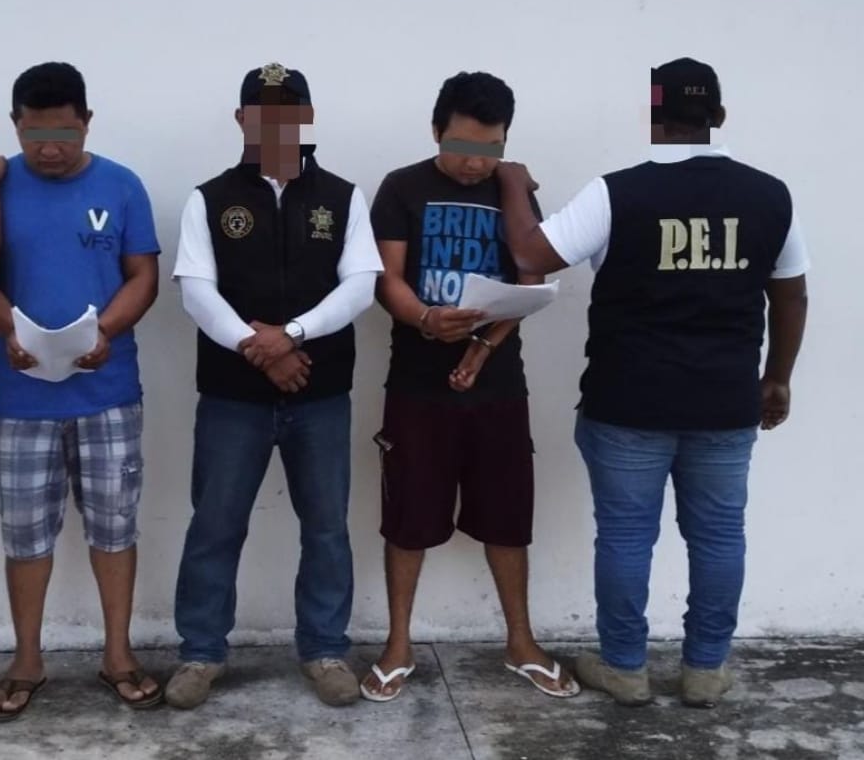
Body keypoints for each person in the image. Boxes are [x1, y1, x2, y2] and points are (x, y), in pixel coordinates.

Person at [495, 57, 809, 707]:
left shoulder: (618, 193)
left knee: (627, 537)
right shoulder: (770, 195)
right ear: (719, 116)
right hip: (725, 403)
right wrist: (777, 378)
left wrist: (515, 183)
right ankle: (705, 670)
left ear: (653, 116)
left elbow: (529, 254)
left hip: (627, 402)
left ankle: (625, 668)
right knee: (719, 537)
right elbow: (791, 295)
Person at [166, 62, 383, 709]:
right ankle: (200, 652)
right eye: (262, 112)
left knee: (326, 528)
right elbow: (197, 291)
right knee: (215, 525)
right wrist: (258, 350)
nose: (276, 124)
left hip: (320, 396)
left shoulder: (343, 197)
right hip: (232, 399)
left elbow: (360, 286)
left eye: (289, 112)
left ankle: (325, 649)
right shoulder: (209, 199)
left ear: (306, 118)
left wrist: (290, 333)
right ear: (242, 120)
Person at [362, 71, 580, 702]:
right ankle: (398, 644)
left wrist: (483, 347)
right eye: (461, 146)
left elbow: (531, 279)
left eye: (490, 149)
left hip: (500, 387)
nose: (473, 162)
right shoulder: (402, 187)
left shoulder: (511, 191)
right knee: (409, 517)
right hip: (416, 383)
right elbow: (386, 278)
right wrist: (424, 318)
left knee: (508, 518)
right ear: (436, 131)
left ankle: (521, 642)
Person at [0, 62, 163, 719]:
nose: (50, 149)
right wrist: (9, 329)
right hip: (21, 399)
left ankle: (118, 656)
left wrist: (106, 330)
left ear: (87, 123)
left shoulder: (121, 185)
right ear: (14, 125)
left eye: (65, 134)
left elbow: (143, 275)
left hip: (108, 392)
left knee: (114, 527)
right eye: (35, 135)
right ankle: (26, 662)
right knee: (25, 536)